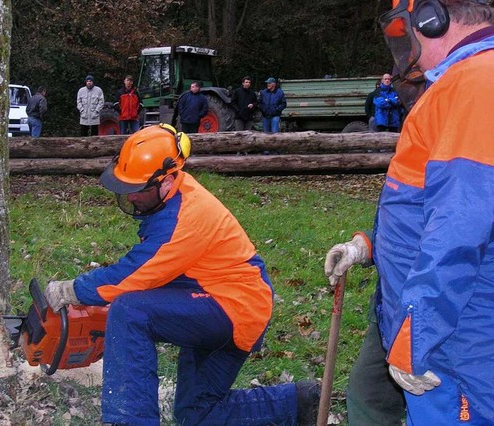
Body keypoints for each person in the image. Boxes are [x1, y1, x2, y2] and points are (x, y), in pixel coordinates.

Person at [44, 124, 321, 425]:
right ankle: (296, 403)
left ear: (165, 181)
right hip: (217, 300)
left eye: (138, 190)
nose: (132, 198)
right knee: (197, 414)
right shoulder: (172, 200)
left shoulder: (185, 218)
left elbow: (133, 275)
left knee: (129, 311)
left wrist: (72, 290)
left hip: (233, 307)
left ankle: (130, 419)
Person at [325, 0, 494, 424]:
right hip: (448, 326)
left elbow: (461, 227)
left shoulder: (475, 83)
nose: (405, 53)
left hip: (456, 341)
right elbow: (431, 207)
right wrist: (368, 244)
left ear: (432, 21)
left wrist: (418, 337)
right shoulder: (464, 83)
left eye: (406, 33)